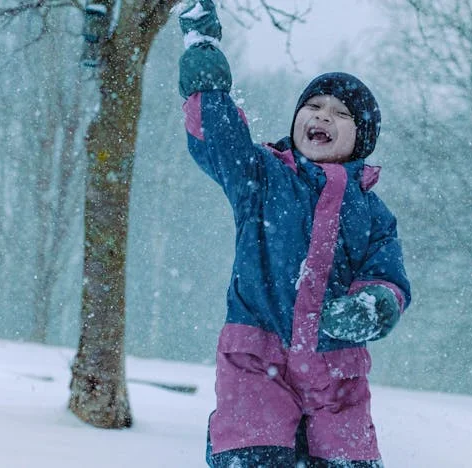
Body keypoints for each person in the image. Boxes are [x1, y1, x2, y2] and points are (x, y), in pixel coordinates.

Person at [176, 2, 411, 466]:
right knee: (254, 453)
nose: (322, 115)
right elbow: (219, 140)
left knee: (349, 460)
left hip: (336, 375)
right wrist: (205, 60)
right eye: (313, 105)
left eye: (340, 113)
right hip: (256, 363)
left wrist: (373, 305)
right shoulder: (262, 177)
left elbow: (389, 276)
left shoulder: (373, 213)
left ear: (360, 138)